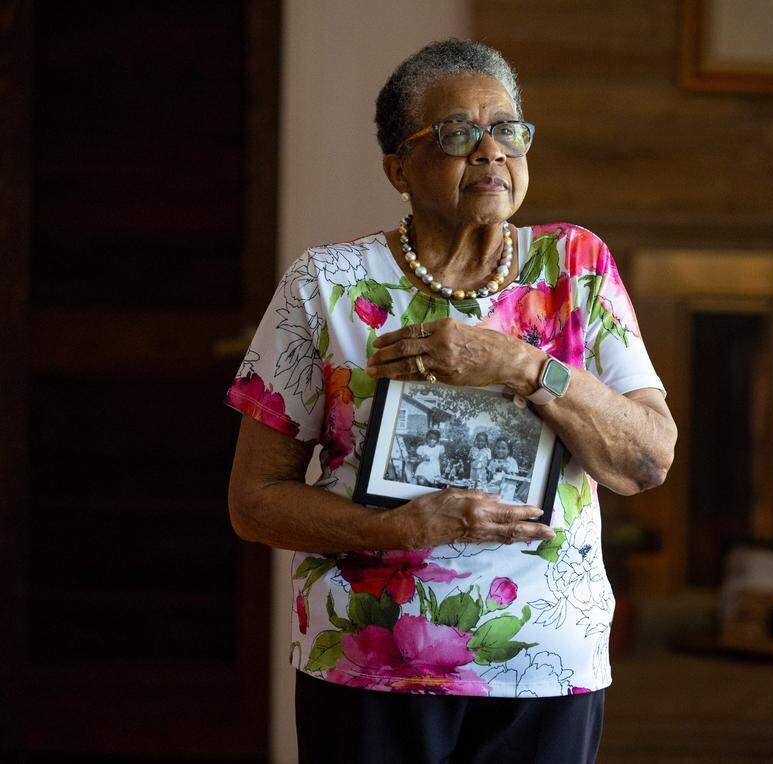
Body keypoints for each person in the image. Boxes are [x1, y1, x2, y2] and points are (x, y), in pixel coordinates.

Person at [224, 37, 676, 764]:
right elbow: (253, 502)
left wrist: (524, 366)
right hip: (369, 660)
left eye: (507, 129)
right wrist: (402, 529)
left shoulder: (575, 267)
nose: (491, 151)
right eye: (459, 133)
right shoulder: (327, 283)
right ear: (398, 167)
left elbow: (648, 458)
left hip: (545, 666)